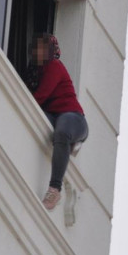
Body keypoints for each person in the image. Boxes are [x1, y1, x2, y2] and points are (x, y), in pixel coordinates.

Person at [23, 33, 88, 210]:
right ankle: (68, 142)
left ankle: (54, 189)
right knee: (48, 122)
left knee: (61, 131)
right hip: (54, 116)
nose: (40, 51)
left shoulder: (54, 66)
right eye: (37, 48)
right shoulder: (34, 71)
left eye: (44, 48)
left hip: (73, 117)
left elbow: (40, 96)